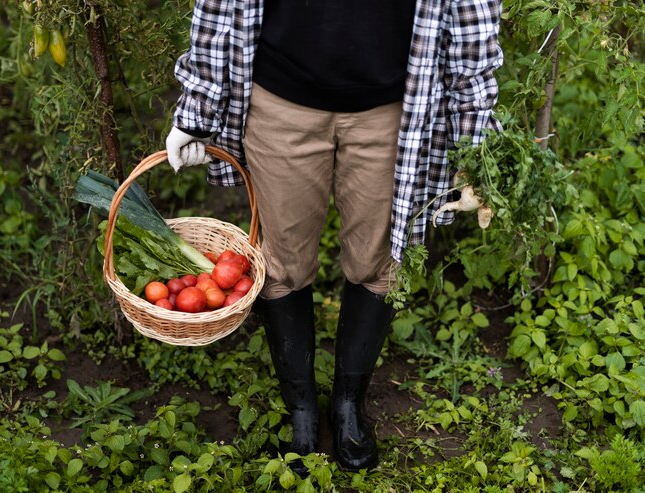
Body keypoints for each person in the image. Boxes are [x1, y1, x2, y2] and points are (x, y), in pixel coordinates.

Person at [165, 0, 503, 474]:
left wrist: (476, 142)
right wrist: (197, 108)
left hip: (392, 109)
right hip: (281, 101)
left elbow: (472, 21)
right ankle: (301, 410)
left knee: (380, 262)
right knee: (280, 265)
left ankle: (348, 405)